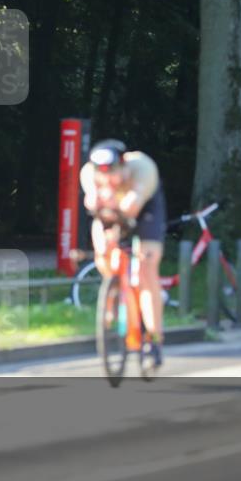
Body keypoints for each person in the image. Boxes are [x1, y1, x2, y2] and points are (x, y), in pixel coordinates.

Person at [80, 139, 167, 366]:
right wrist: (104, 243)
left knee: (146, 269)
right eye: (103, 176)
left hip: (145, 209)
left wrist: (114, 216)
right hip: (111, 209)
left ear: (124, 165)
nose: (108, 181)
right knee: (103, 253)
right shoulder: (88, 173)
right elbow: (93, 205)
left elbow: (131, 206)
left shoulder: (142, 168)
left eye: (113, 175)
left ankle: (154, 339)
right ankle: (114, 293)